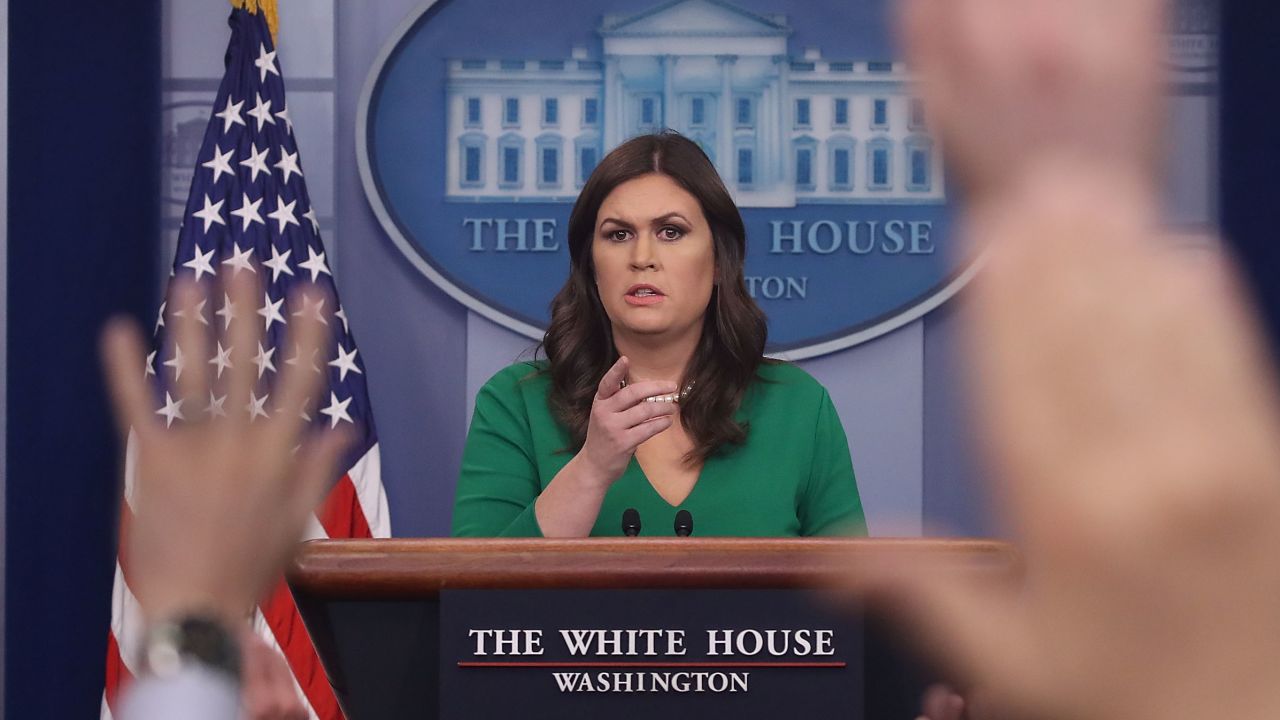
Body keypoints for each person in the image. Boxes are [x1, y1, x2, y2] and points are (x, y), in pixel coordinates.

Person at [452, 132, 867, 538]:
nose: (642, 258)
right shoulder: (515, 404)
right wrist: (592, 470)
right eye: (618, 234)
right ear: (592, 268)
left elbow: (857, 597)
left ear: (720, 260)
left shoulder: (797, 405)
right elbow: (474, 593)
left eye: (671, 232)